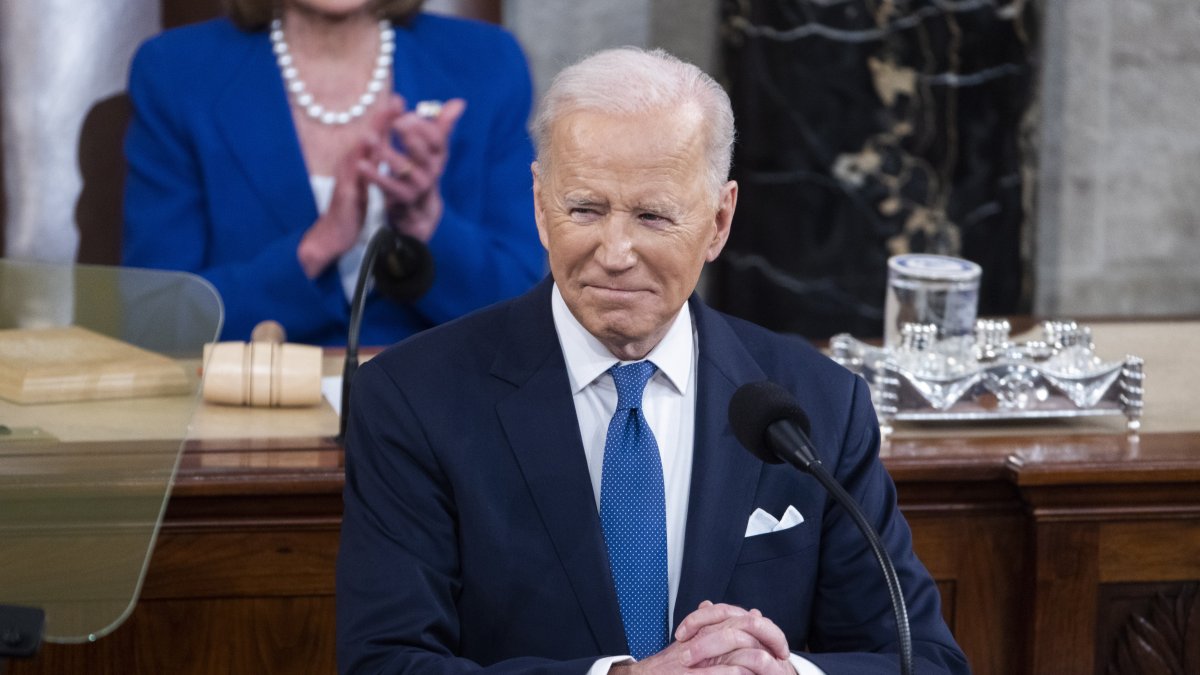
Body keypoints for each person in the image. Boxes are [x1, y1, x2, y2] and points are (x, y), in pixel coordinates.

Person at [337, 47, 970, 674]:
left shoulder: (818, 404)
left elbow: (926, 662)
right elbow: (384, 663)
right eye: (585, 209)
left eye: (652, 215)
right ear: (539, 204)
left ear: (719, 221)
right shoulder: (412, 399)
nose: (615, 251)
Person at [122, 0, 544, 345]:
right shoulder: (176, 72)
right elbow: (156, 323)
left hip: (444, 416)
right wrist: (316, 247)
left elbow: (525, 312)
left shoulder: (487, 63)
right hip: (251, 410)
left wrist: (426, 223)